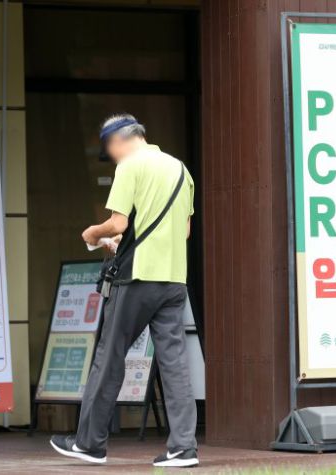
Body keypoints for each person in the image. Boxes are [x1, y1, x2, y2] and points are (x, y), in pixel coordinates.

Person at [49, 113, 198, 468]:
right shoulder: (180, 170)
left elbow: (118, 222)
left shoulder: (130, 166)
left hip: (137, 279)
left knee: (109, 356)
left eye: (110, 149)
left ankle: (89, 443)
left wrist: (93, 233)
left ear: (117, 141)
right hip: (174, 278)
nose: (112, 155)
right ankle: (183, 448)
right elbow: (185, 231)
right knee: (175, 363)